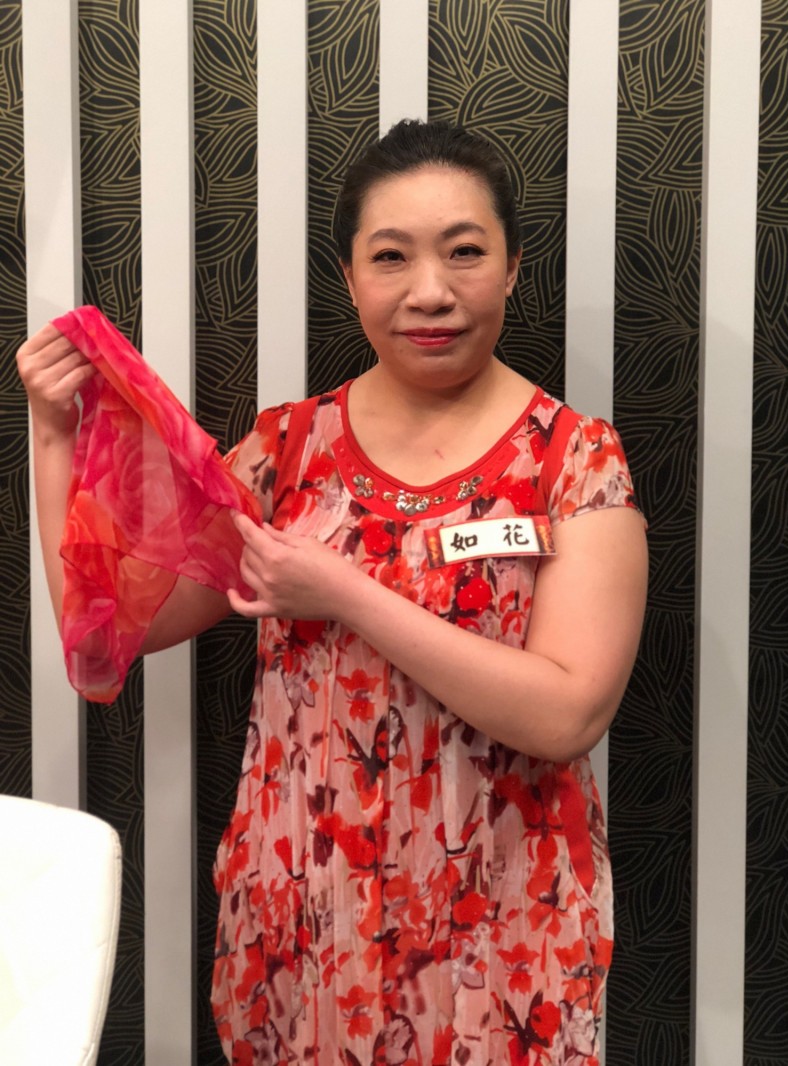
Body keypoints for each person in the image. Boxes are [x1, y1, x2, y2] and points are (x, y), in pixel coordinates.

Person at [18, 120, 647, 1065]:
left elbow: (567, 714)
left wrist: (347, 593)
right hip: (304, 924)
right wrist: (55, 433)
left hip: (505, 934)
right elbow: (111, 631)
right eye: (390, 257)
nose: (429, 291)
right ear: (350, 278)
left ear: (514, 267)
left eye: (465, 252)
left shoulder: (575, 458)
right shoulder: (286, 451)